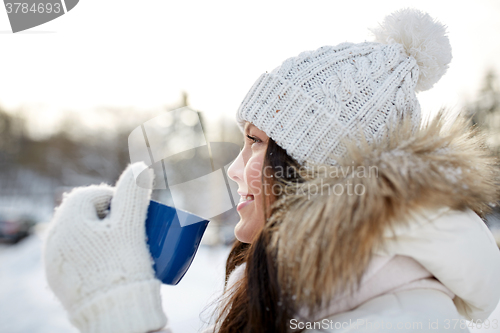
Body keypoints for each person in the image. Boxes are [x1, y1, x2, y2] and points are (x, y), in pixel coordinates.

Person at [42, 8, 500, 333]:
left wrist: (118, 313)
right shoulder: (298, 291)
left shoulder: (399, 322)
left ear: (319, 170)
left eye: (256, 143)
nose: (236, 171)